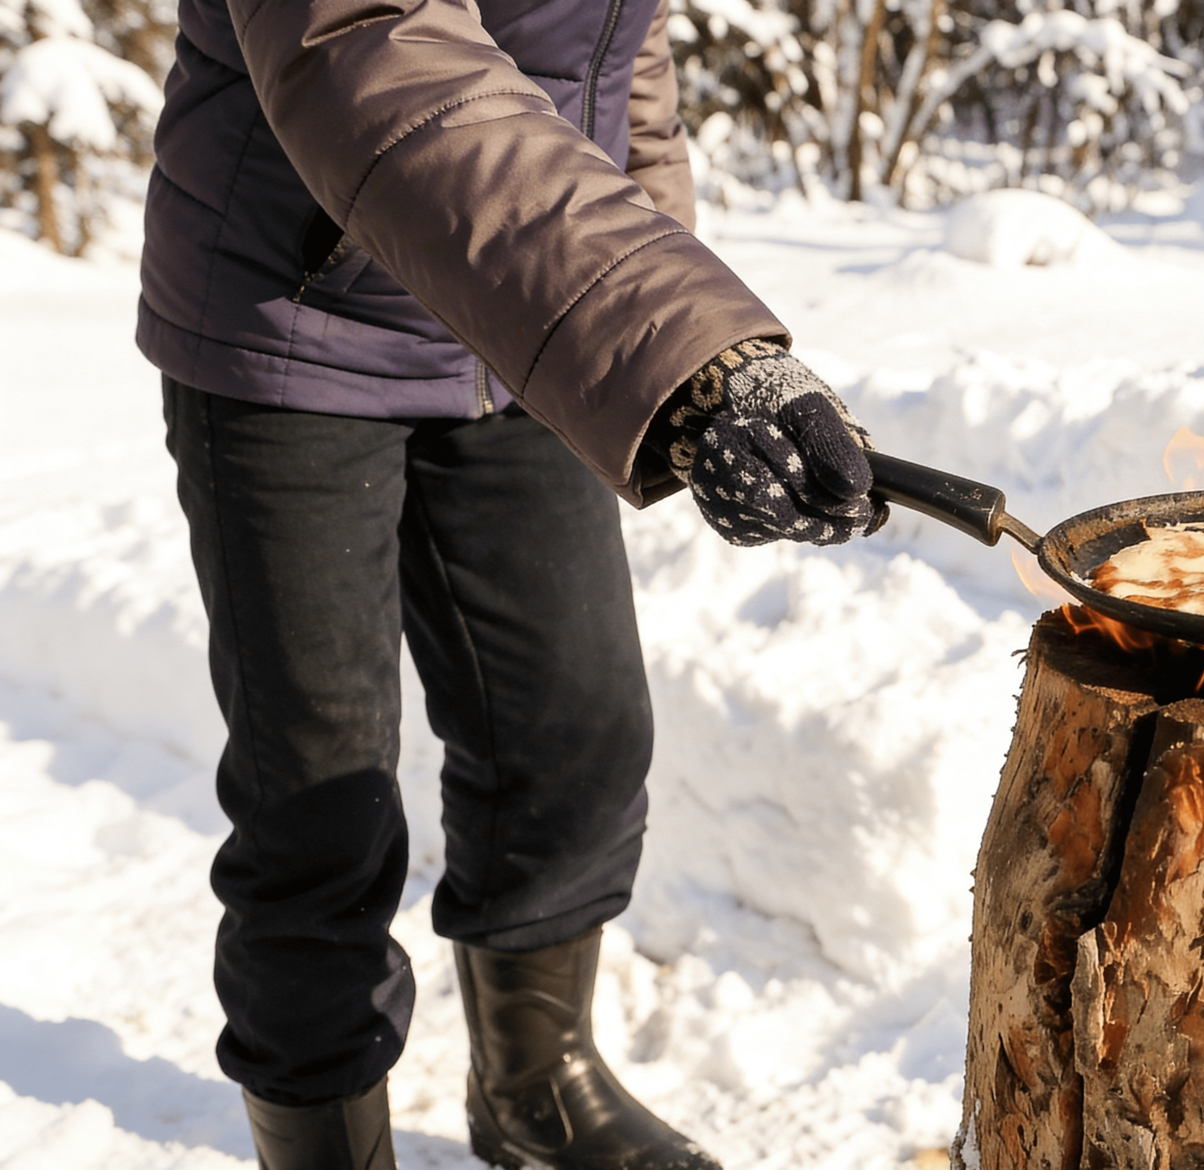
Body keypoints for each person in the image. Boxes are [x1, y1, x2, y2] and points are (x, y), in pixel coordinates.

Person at [136, 0, 878, 1166]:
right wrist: (685, 352)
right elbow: (364, 48)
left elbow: (615, 64)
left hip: (516, 324)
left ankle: (537, 1086)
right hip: (291, 327)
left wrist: (664, 370)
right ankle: (324, 1141)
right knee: (316, 792)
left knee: (574, 733)